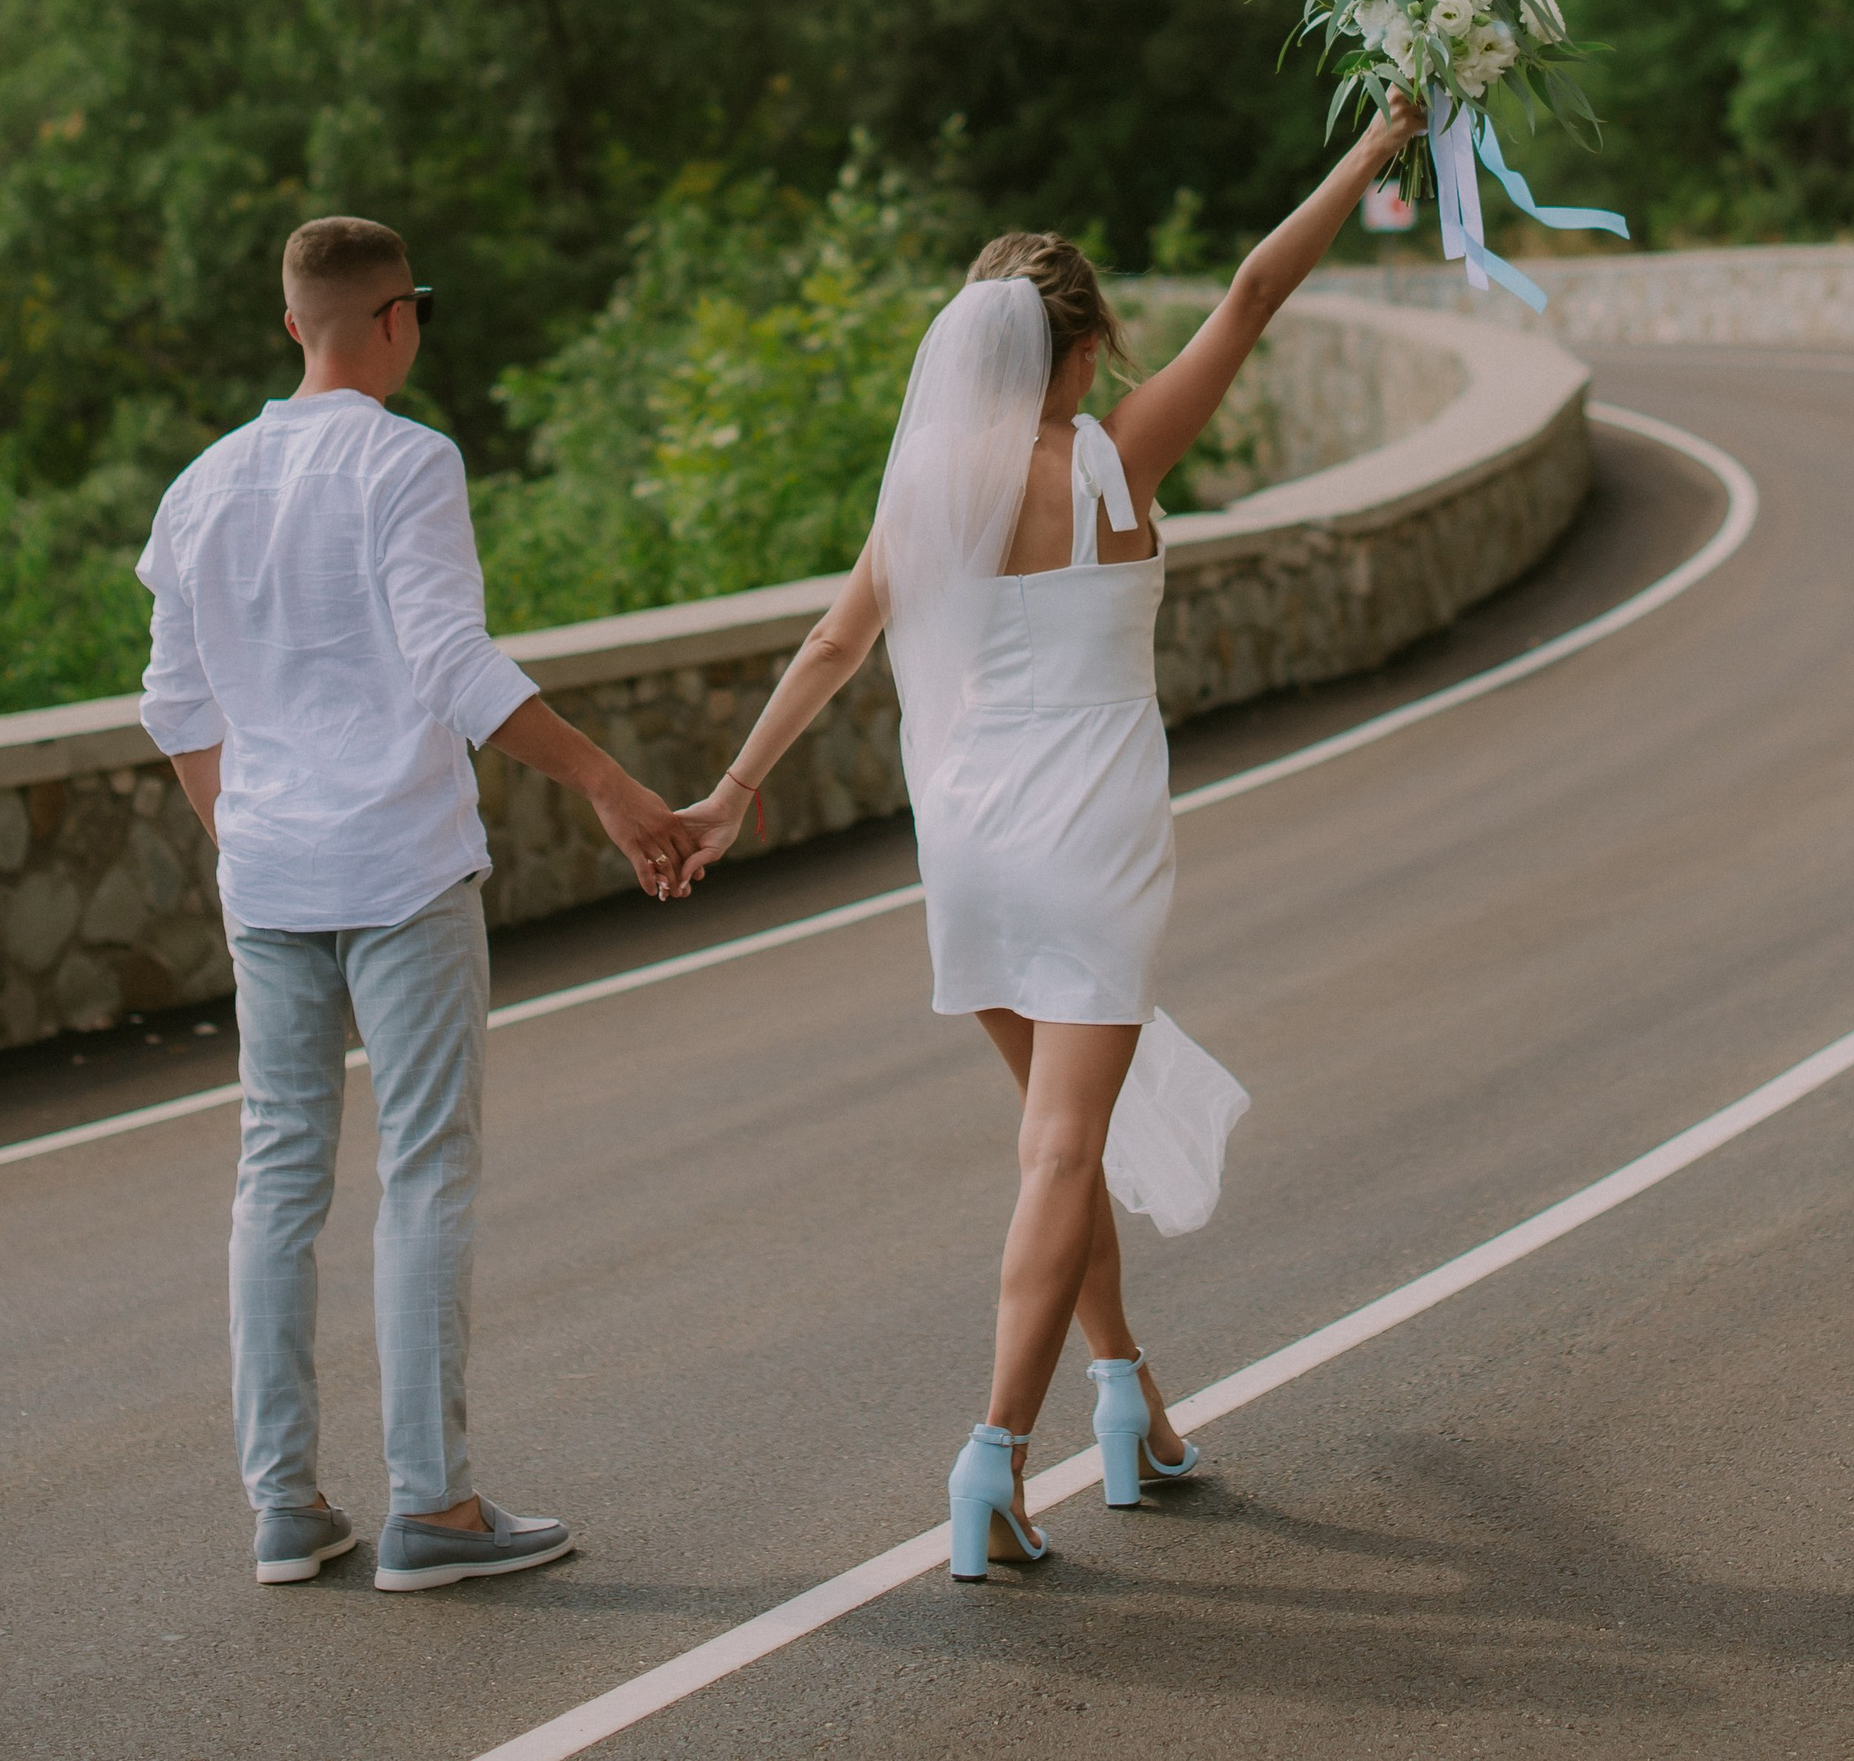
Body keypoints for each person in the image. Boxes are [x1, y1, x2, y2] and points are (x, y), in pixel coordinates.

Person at [670, 94, 1421, 1577]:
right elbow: (1258, 289)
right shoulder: (1107, 461)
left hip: (968, 841)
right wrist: (1377, 140)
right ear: (1080, 350)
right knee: (1064, 1147)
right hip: (1092, 834)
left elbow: (831, 646)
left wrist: (729, 794)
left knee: (1051, 1139)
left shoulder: (929, 489)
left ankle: (1131, 1403)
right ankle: (993, 1463)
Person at [138, 215, 702, 1595]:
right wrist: (613, 789)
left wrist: (247, 834)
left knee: (277, 1180)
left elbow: (172, 702)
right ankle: (432, 1511)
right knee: (425, 1171)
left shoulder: (200, 485)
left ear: (293, 326)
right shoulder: (410, 460)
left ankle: (284, 1507)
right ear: (394, 317)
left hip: (269, 879)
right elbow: (452, 661)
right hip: (400, 867)